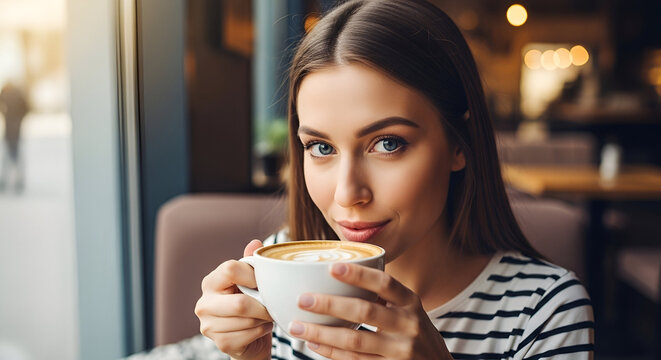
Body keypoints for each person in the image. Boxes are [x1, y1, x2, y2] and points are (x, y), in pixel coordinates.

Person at [195, 0, 594, 359]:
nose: (348, 193)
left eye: (387, 143)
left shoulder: (544, 311)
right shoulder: (281, 267)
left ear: (460, 145)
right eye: (320, 147)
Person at [0, 81, 28, 192]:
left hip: (13, 128)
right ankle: (16, 180)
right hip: (12, 128)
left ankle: (16, 180)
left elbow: (25, 108)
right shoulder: (15, 92)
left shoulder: (10, 92)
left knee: (13, 155)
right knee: (11, 155)